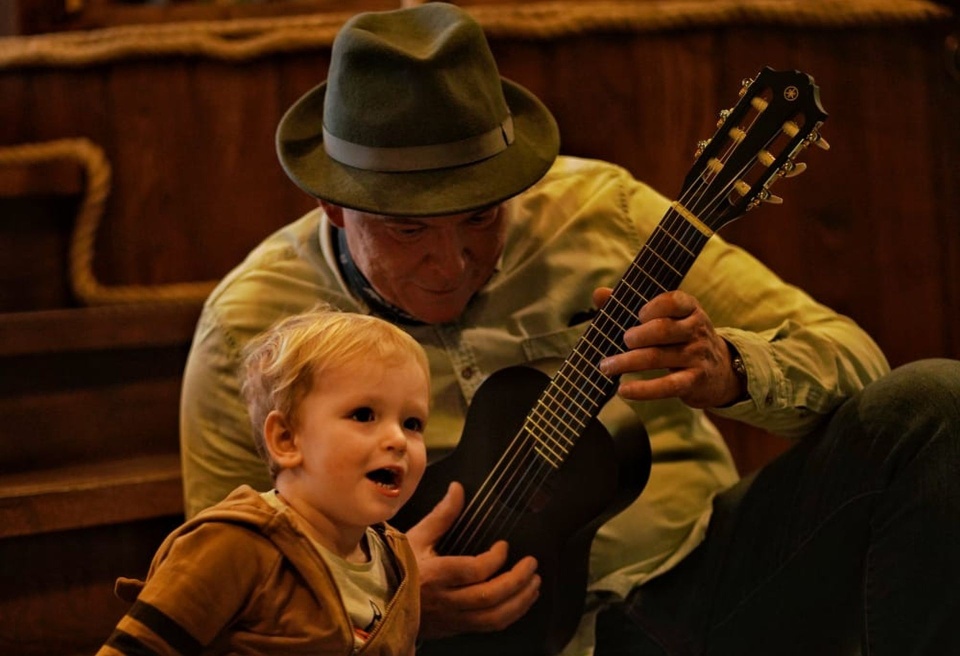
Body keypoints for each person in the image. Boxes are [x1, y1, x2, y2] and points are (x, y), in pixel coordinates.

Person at [179, 3, 960, 654]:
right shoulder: (250, 324)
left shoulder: (606, 214)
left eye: (480, 217)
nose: (451, 264)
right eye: (407, 232)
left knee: (934, 403)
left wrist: (732, 368)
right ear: (331, 208)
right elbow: (223, 590)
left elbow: (860, 366)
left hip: (700, 586)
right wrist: (389, 606)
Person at [102, 308, 429, 655]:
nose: (398, 439)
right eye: (364, 415)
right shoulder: (235, 545)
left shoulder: (396, 556)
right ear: (286, 439)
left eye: (412, 423)